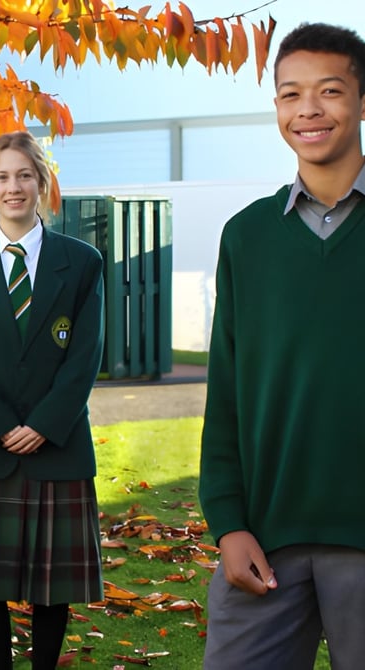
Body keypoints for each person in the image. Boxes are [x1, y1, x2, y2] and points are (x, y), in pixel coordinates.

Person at [200, 22, 365, 670]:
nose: (308, 111)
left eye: (329, 91)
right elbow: (228, 396)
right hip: (264, 543)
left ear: (361, 100)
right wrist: (228, 522)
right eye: (290, 95)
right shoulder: (246, 238)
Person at [0, 132, 104, 670]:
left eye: (24, 176)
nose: (14, 188)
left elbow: (85, 355)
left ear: (42, 183)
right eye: (2, 178)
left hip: (56, 444)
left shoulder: (81, 262)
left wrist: (45, 423)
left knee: (51, 586)